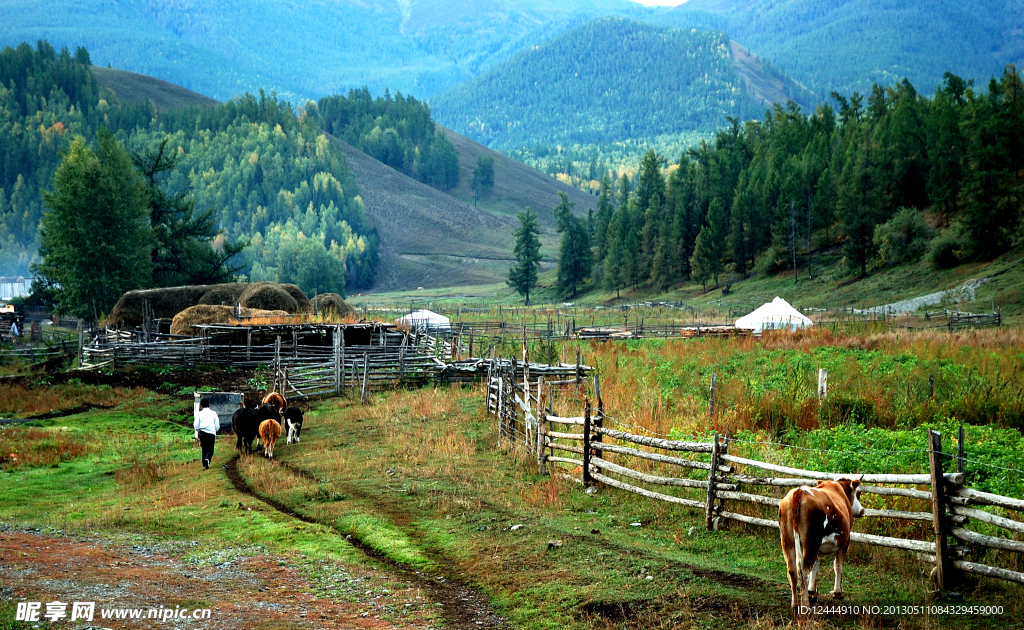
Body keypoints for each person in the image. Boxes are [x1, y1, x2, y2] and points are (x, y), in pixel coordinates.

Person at [194, 398, 220, 470]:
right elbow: (217, 425)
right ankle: (208, 459)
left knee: (204, 448)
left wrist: (199, 430)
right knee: (210, 449)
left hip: (203, 433)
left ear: (201, 405)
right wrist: (215, 430)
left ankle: (204, 462)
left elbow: (196, 425)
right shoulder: (213, 413)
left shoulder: (199, 414)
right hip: (211, 433)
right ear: (209, 405)